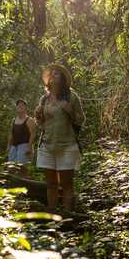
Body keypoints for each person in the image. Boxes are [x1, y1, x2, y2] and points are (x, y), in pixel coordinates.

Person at [34, 64, 85, 213]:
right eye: (52, 74)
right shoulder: (44, 99)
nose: (53, 76)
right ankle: (52, 217)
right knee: (51, 184)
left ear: (62, 79)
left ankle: (69, 217)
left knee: (67, 185)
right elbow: (42, 124)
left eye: (57, 74)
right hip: (47, 146)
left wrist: (70, 112)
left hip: (67, 146)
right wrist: (38, 117)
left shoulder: (71, 96)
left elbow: (81, 120)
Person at [6, 99, 37, 177]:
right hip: (14, 146)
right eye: (18, 105)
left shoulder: (29, 120)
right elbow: (11, 134)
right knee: (10, 166)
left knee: (22, 168)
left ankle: (25, 186)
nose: (20, 106)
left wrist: (29, 147)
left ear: (26, 108)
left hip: (24, 145)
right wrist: (8, 146)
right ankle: (12, 185)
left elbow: (33, 134)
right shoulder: (14, 120)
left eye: (22, 105)